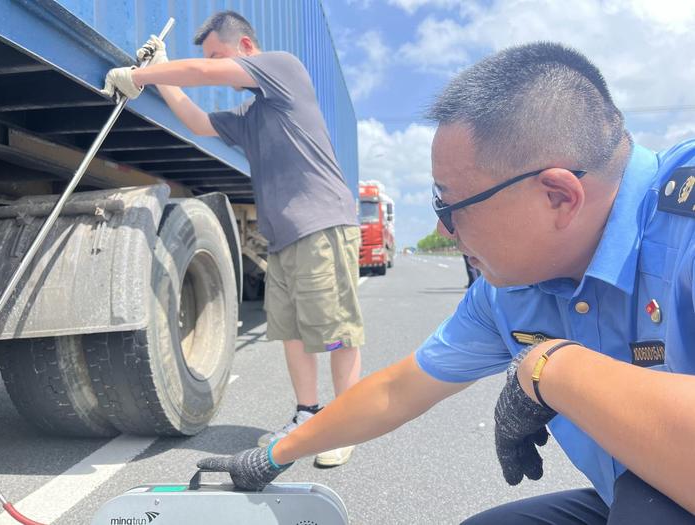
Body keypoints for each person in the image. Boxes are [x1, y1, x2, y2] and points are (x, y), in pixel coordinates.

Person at [195, 42, 695, 524]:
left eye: (450, 205)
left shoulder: (684, 227)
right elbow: (398, 389)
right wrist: (274, 456)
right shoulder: (511, 292)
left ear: (560, 198)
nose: (441, 230)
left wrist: (550, 370)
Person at [102, 11, 364, 467]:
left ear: (244, 46)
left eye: (218, 54)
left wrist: (138, 74)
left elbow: (204, 74)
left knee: (336, 333)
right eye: (211, 58)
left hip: (322, 226)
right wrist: (162, 72)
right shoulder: (252, 114)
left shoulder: (283, 68)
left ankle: (345, 423)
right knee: (294, 334)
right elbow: (198, 122)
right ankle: (308, 413)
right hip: (282, 237)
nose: (216, 65)